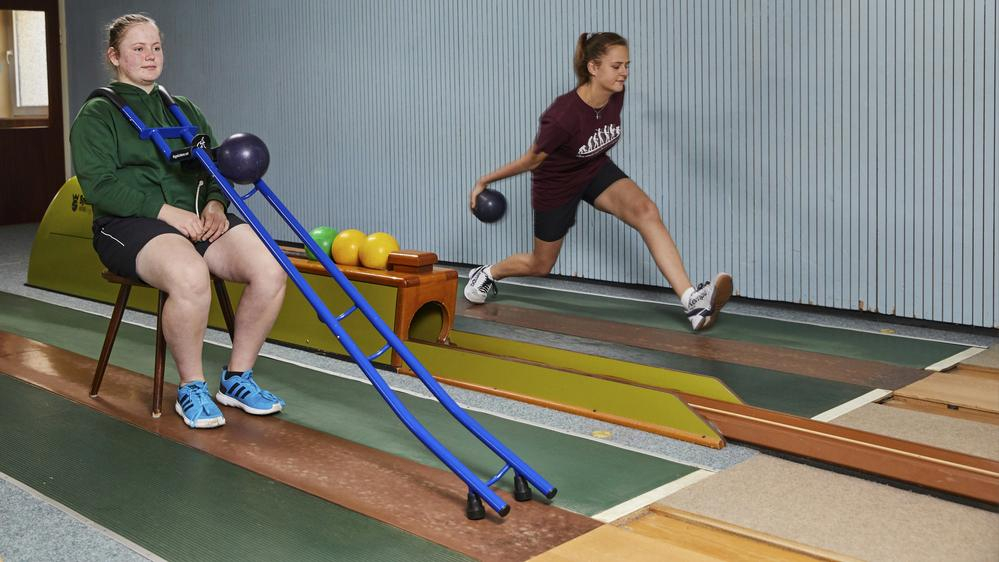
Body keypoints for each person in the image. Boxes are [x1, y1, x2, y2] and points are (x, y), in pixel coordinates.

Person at [70, 14, 288, 429]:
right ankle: (192, 388)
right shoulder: (97, 115)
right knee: (190, 276)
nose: (150, 56)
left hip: (197, 219)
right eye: (138, 48)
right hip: (128, 225)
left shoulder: (182, 109)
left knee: (271, 267)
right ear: (114, 56)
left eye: (156, 47)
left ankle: (237, 379)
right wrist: (168, 213)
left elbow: (215, 168)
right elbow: (99, 187)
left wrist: (217, 205)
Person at [466, 32, 732, 331]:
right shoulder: (561, 116)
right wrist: (484, 180)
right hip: (557, 185)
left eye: (627, 65)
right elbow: (531, 160)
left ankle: (692, 303)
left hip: (593, 168)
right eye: (617, 66)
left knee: (646, 211)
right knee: (540, 265)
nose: (624, 73)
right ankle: (488, 273)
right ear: (593, 68)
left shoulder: (616, 93)